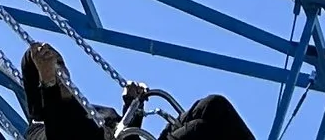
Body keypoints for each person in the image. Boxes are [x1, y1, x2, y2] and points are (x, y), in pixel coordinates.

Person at [22, 44, 253, 140]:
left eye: (60, 63)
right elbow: (67, 136)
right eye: (51, 65)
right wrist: (49, 84)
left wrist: (132, 106)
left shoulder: (98, 112)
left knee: (213, 106)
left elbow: (125, 136)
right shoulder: (38, 130)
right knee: (200, 131)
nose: (59, 69)